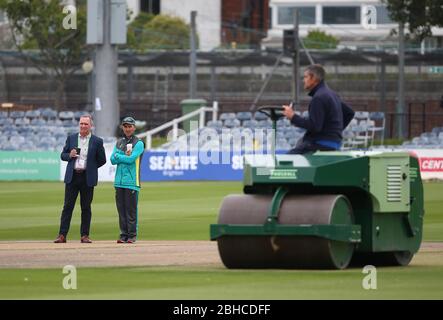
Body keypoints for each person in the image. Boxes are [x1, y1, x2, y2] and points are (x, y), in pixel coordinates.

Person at [54, 115, 107, 243]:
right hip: (72, 177)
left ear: (91, 126)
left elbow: (102, 159)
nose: (83, 126)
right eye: (81, 123)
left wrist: (91, 167)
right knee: (67, 207)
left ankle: (85, 235)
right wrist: (69, 155)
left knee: (86, 207)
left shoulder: (97, 141)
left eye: (86, 124)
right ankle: (62, 235)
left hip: (87, 177)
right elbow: (63, 155)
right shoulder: (71, 138)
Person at [282, 64, 355, 154]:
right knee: (300, 142)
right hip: (335, 143)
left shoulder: (318, 98)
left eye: (305, 77)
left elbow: (314, 126)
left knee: (286, 159)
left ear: (314, 79)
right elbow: (349, 113)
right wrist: (334, 132)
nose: (303, 80)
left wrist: (293, 116)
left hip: (320, 144)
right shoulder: (332, 94)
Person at [110, 117, 144, 244]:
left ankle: (132, 235)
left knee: (130, 210)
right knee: (121, 210)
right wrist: (120, 156)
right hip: (119, 181)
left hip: (132, 181)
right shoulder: (119, 142)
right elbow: (112, 160)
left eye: (130, 126)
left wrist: (119, 156)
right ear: (122, 128)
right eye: (125, 126)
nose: (128, 129)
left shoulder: (139, 143)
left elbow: (131, 159)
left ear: (134, 128)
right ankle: (123, 234)